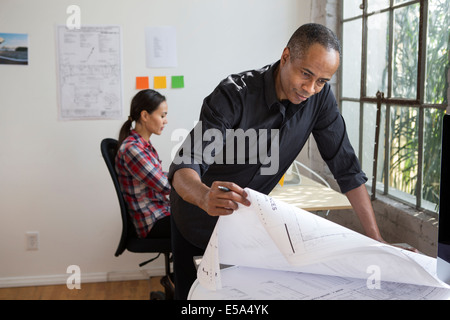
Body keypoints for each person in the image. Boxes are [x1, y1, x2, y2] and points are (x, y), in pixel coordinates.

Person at [168, 23, 385, 299]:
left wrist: (377, 241)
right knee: (195, 299)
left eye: (322, 81)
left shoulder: (320, 101)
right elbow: (185, 165)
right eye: (306, 74)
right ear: (286, 57)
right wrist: (203, 196)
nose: (310, 88)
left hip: (245, 228)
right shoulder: (234, 95)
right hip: (196, 217)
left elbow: (347, 169)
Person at [116, 89, 171, 239]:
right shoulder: (132, 149)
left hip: (162, 212)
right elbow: (165, 186)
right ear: (145, 116)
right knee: (201, 223)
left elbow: (160, 178)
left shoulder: (143, 145)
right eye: (162, 115)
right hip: (153, 220)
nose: (165, 121)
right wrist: (189, 183)